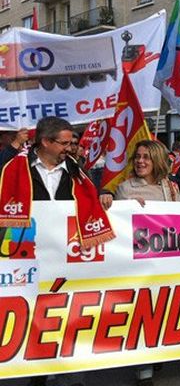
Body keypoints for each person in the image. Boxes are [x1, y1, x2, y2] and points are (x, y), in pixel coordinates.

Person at [0, 118, 88, 386]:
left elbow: (88, 197)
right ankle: (35, 373)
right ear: (46, 142)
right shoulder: (15, 167)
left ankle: (67, 373)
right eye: (64, 143)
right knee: (30, 314)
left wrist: (105, 193)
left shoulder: (74, 169)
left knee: (65, 312)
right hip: (24, 253)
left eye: (71, 143)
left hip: (64, 254)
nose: (70, 148)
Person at [100, 140, 180, 386]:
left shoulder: (171, 188)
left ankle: (155, 351)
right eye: (138, 157)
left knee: (162, 312)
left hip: (166, 260)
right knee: (143, 313)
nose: (140, 161)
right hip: (139, 262)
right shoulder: (125, 188)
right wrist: (119, 204)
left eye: (146, 157)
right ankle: (143, 368)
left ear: (157, 160)